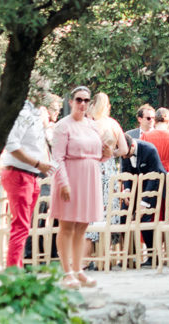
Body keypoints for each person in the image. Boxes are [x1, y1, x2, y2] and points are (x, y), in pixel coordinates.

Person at [51, 86, 113, 289]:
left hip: (90, 177)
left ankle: (78, 270)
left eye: (86, 100)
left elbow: (99, 155)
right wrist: (63, 182)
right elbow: (57, 157)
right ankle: (66, 272)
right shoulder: (63, 126)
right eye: (79, 100)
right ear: (71, 102)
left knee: (82, 226)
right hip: (70, 175)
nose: (83, 104)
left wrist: (106, 153)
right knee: (67, 225)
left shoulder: (93, 126)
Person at [0, 81, 54, 269]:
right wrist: (38, 164)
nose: (45, 95)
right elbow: (11, 144)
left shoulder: (34, 114)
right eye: (43, 91)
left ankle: (17, 267)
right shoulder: (22, 114)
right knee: (21, 225)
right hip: (20, 174)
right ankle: (13, 270)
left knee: (24, 226)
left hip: (32, 175)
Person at [84, 91, 129, 260]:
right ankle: (106, 256)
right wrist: (112, 154)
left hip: (92, 169)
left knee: (91, 212)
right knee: (108, 211)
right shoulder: (113, 124)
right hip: (109, 171)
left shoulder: (89, 124)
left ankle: (88, 256)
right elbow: (124, 150)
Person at [119, 133, 165, 261]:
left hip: (154, 186)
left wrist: (144, 203)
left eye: (126, 155)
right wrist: (127, 190)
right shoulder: (124, 150)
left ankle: (152, 256)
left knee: (145, 217)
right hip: (136, 187)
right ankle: (131, 256)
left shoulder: (149, 150)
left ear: (133, 146)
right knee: (123, 215)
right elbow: (126, 172)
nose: (124, 157)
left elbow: (154, 177)